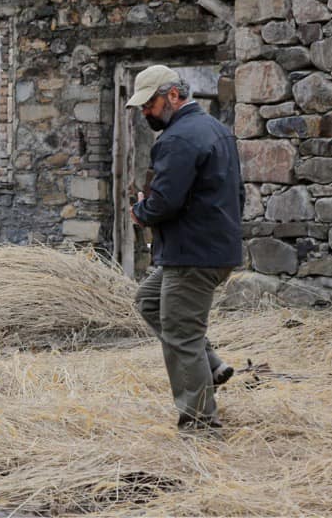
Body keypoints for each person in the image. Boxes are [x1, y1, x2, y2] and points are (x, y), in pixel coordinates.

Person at [127, 64, 242, 431]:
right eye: (142, 106)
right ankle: (211, 364)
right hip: (211, 250)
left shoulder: (177, 139)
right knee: (148, 300)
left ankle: (200, 424)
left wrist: (141, 212)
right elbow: (237, 194)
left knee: (181, 335)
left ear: (173, 96)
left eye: (149, 104)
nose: (145, 113)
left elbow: (165, 202)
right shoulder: (217, 130)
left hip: (192, 255)